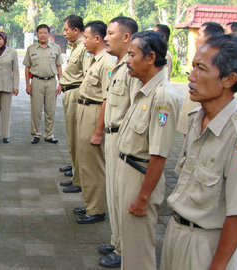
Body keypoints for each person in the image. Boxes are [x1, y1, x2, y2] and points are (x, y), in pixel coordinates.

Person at [160, 34, 237, 270]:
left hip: (207, 245)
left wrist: (217, 266)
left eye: (201, 69)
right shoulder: (196, 119)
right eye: (192, 66)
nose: (191, 76)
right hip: (177, 232)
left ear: (229, 79)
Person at [117, 31, 179, 269]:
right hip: (128, 170)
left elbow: (159, 154)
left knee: (139, 248)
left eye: (132, 55)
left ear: (151, 57)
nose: (127, 60)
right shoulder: (144, 88)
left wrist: (143, 198)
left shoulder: (162, 96)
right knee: (129, 245)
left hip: (139, 175)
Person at [98, 16, 139, 268]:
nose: (105, 38)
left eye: (111, 33)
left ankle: (125, 248)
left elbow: (134, 110)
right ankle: (116, 241)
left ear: (126, 37)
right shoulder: (119, 66)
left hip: (122, 139)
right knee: (113, 193)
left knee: (122, 196)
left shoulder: (133, 69)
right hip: (111, 136)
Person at [73, 21, 115, 224]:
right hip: (85, 110)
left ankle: (97, 209)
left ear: (97, 39)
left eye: (87, 38)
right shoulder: (94, 59)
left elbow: (107, 98)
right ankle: (90, 203)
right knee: (84, 162)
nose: (84, 42)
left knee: (93, 164)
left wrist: (99, 130)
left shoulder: (107, 62)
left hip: (95, 112)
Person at [177, 22, 224, 135]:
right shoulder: (198, 56)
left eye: (199, 34)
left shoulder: (217, 62)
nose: (191, 77)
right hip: (193, 120)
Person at [58, 15, 87, 193]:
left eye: (66, 29)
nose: (64, 33)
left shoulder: (84, 47)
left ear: (76, 30)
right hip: (69, 93)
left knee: (76, 138)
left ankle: (78, 178)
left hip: (76, 94)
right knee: (71, 136)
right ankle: (75, 172)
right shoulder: (76, 46)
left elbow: (87, 77)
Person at [23, 24, 63, 144]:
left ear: (48, 34)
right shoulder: (32, 49)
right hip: (36, 82)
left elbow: (59, 66)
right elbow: (27, 68)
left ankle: (49, 135)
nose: (43, 35)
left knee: (50, 110)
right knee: (36, 110)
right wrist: (27, 85)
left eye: (45, 32)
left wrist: (60, 83)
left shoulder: (55, 48)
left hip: (51, 81)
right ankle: (36, 134)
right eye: (40, 33)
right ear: (37, 34)